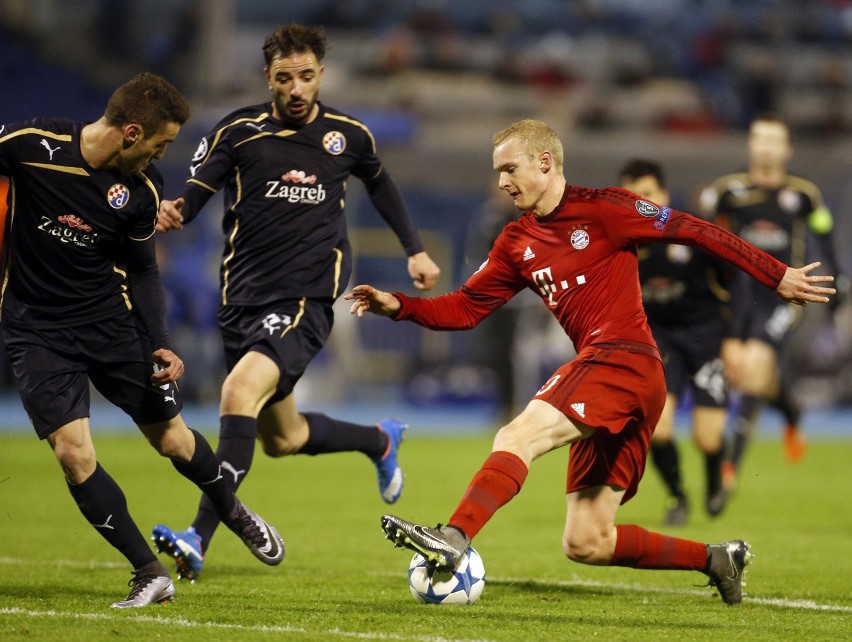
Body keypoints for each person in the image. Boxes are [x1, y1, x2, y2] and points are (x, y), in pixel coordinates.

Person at [346, 119, 835, 605]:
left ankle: (455, 535)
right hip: (626, 378)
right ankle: (717, 559)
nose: (501, 182)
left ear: (545, 162)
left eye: (509, 168)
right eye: (497, 171)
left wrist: (776, 275)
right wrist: (399, 306)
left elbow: (694, 229)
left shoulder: (606, 209)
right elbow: (466, 308)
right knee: (586, 541)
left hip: (621, 359)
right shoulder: (515, 243)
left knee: (517, 436)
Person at [151, 23, 441, 581]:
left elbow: (381, 185)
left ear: (320, 76)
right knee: (283, 438)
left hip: (306, 299)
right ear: (269, 78)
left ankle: (198, 537)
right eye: (285, 78)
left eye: (306, 77)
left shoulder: (348, 136)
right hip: (241, 303)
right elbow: (197, 189)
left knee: (236, 393)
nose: (297, 89)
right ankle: (380, 440)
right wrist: (176, 209)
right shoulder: (238, 131)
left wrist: (415, 251)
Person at [0, 73, 283, 609]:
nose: (162, 154)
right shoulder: (32, 149)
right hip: (36, 332)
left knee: (172, 439)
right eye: (161, 142)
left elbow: (143, 272)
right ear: (132, 132)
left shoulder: (141, 192)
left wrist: (162, 341)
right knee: (72, 453)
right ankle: (149, 573)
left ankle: (232, 510)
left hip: (112, 327)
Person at [700, 113, 844, 488]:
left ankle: (729, 467)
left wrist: (839, 276)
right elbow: (704, 239)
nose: (764, 146)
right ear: (750, 144)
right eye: (758, 138)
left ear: (786, 149)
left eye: (772, 140)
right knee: (755, 376)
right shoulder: (726, 192)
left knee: (752, 368)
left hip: (784, 296)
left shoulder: (805, 195)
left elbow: (824, 235)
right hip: (739, 294)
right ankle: (791, 410)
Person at [619, 159, 732, 525]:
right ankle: (677, 496)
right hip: (660, 341)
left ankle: (716, 471)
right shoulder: (621, 246)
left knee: (708, 437)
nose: (643, 204)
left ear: (664, 196)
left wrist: (736, 335)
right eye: (634, 197)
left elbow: (732, 281)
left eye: (649, 195)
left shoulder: (691, 233)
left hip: (705, 336)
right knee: (657, 429)